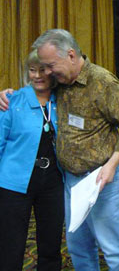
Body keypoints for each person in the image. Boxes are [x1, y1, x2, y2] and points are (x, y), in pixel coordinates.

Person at [0, 29, 119, 270]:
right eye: (42, 66)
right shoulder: (60, 84)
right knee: (78, 247)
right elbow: (34, 93)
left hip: (102, 180)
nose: (47, 72)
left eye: (50, 65)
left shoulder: (103, 82)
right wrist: (5, 94)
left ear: (71, 55)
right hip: (70, 181)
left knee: (113, 249)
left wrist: (111, 165)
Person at [0, 49, 64, 270]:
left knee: (51, 243)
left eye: (43, 70)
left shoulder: (63, 101)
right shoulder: (11, 100)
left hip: (53, 182)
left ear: (52, 72)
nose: (37, 75)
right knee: (11, 244)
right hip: (15, 182)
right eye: (32, 70)